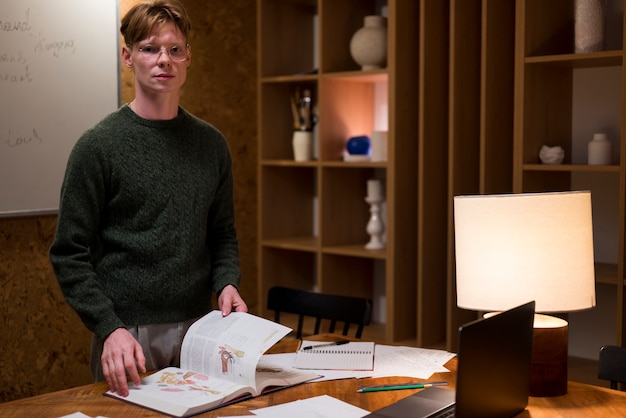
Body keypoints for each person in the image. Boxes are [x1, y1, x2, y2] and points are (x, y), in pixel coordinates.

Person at [49, 0, 247, 398]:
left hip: (200, 331)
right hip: (128, 337)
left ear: (188, 57)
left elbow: (222, 233)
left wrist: (227, 282)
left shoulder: (211, 145)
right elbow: (68, 253)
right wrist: (109, 327)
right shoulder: (98, 147)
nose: (164, 61)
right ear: (128, 56)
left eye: (175, 50)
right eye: (150, 48)